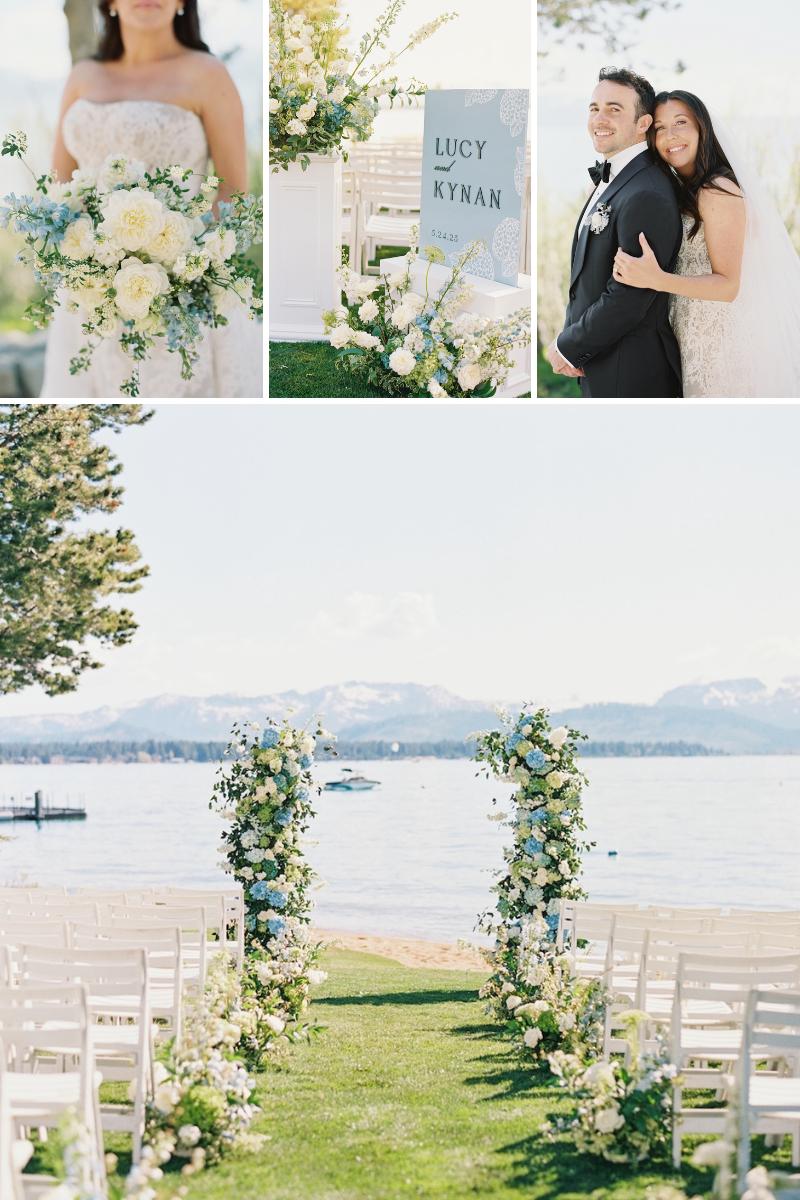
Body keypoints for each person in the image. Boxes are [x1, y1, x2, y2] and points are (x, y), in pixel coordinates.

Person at [41, 0, 261, 398]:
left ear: (182, 3)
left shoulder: (207, 74)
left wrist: (186, 267)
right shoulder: (82, 77)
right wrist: (85, 266)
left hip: (177, 298)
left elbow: (233, 191)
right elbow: (60, 189)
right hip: (88, 296)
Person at [612, 89, 800, 398]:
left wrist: (656, 279)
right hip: (696, 337)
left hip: (723, 345)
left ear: (702, 128)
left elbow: (728, 286)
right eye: (660, 128)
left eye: (681, 122)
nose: (670, 135)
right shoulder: (687, 189)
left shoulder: (717, 190)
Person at [546, 66, 683, 399]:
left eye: (614, 109)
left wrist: (569, 345)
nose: (599, 119)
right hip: (605, 359)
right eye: (594, 108)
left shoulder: (645, 192)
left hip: (631, 371)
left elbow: (629, 297)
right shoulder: (621, 178)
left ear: (643, 124)